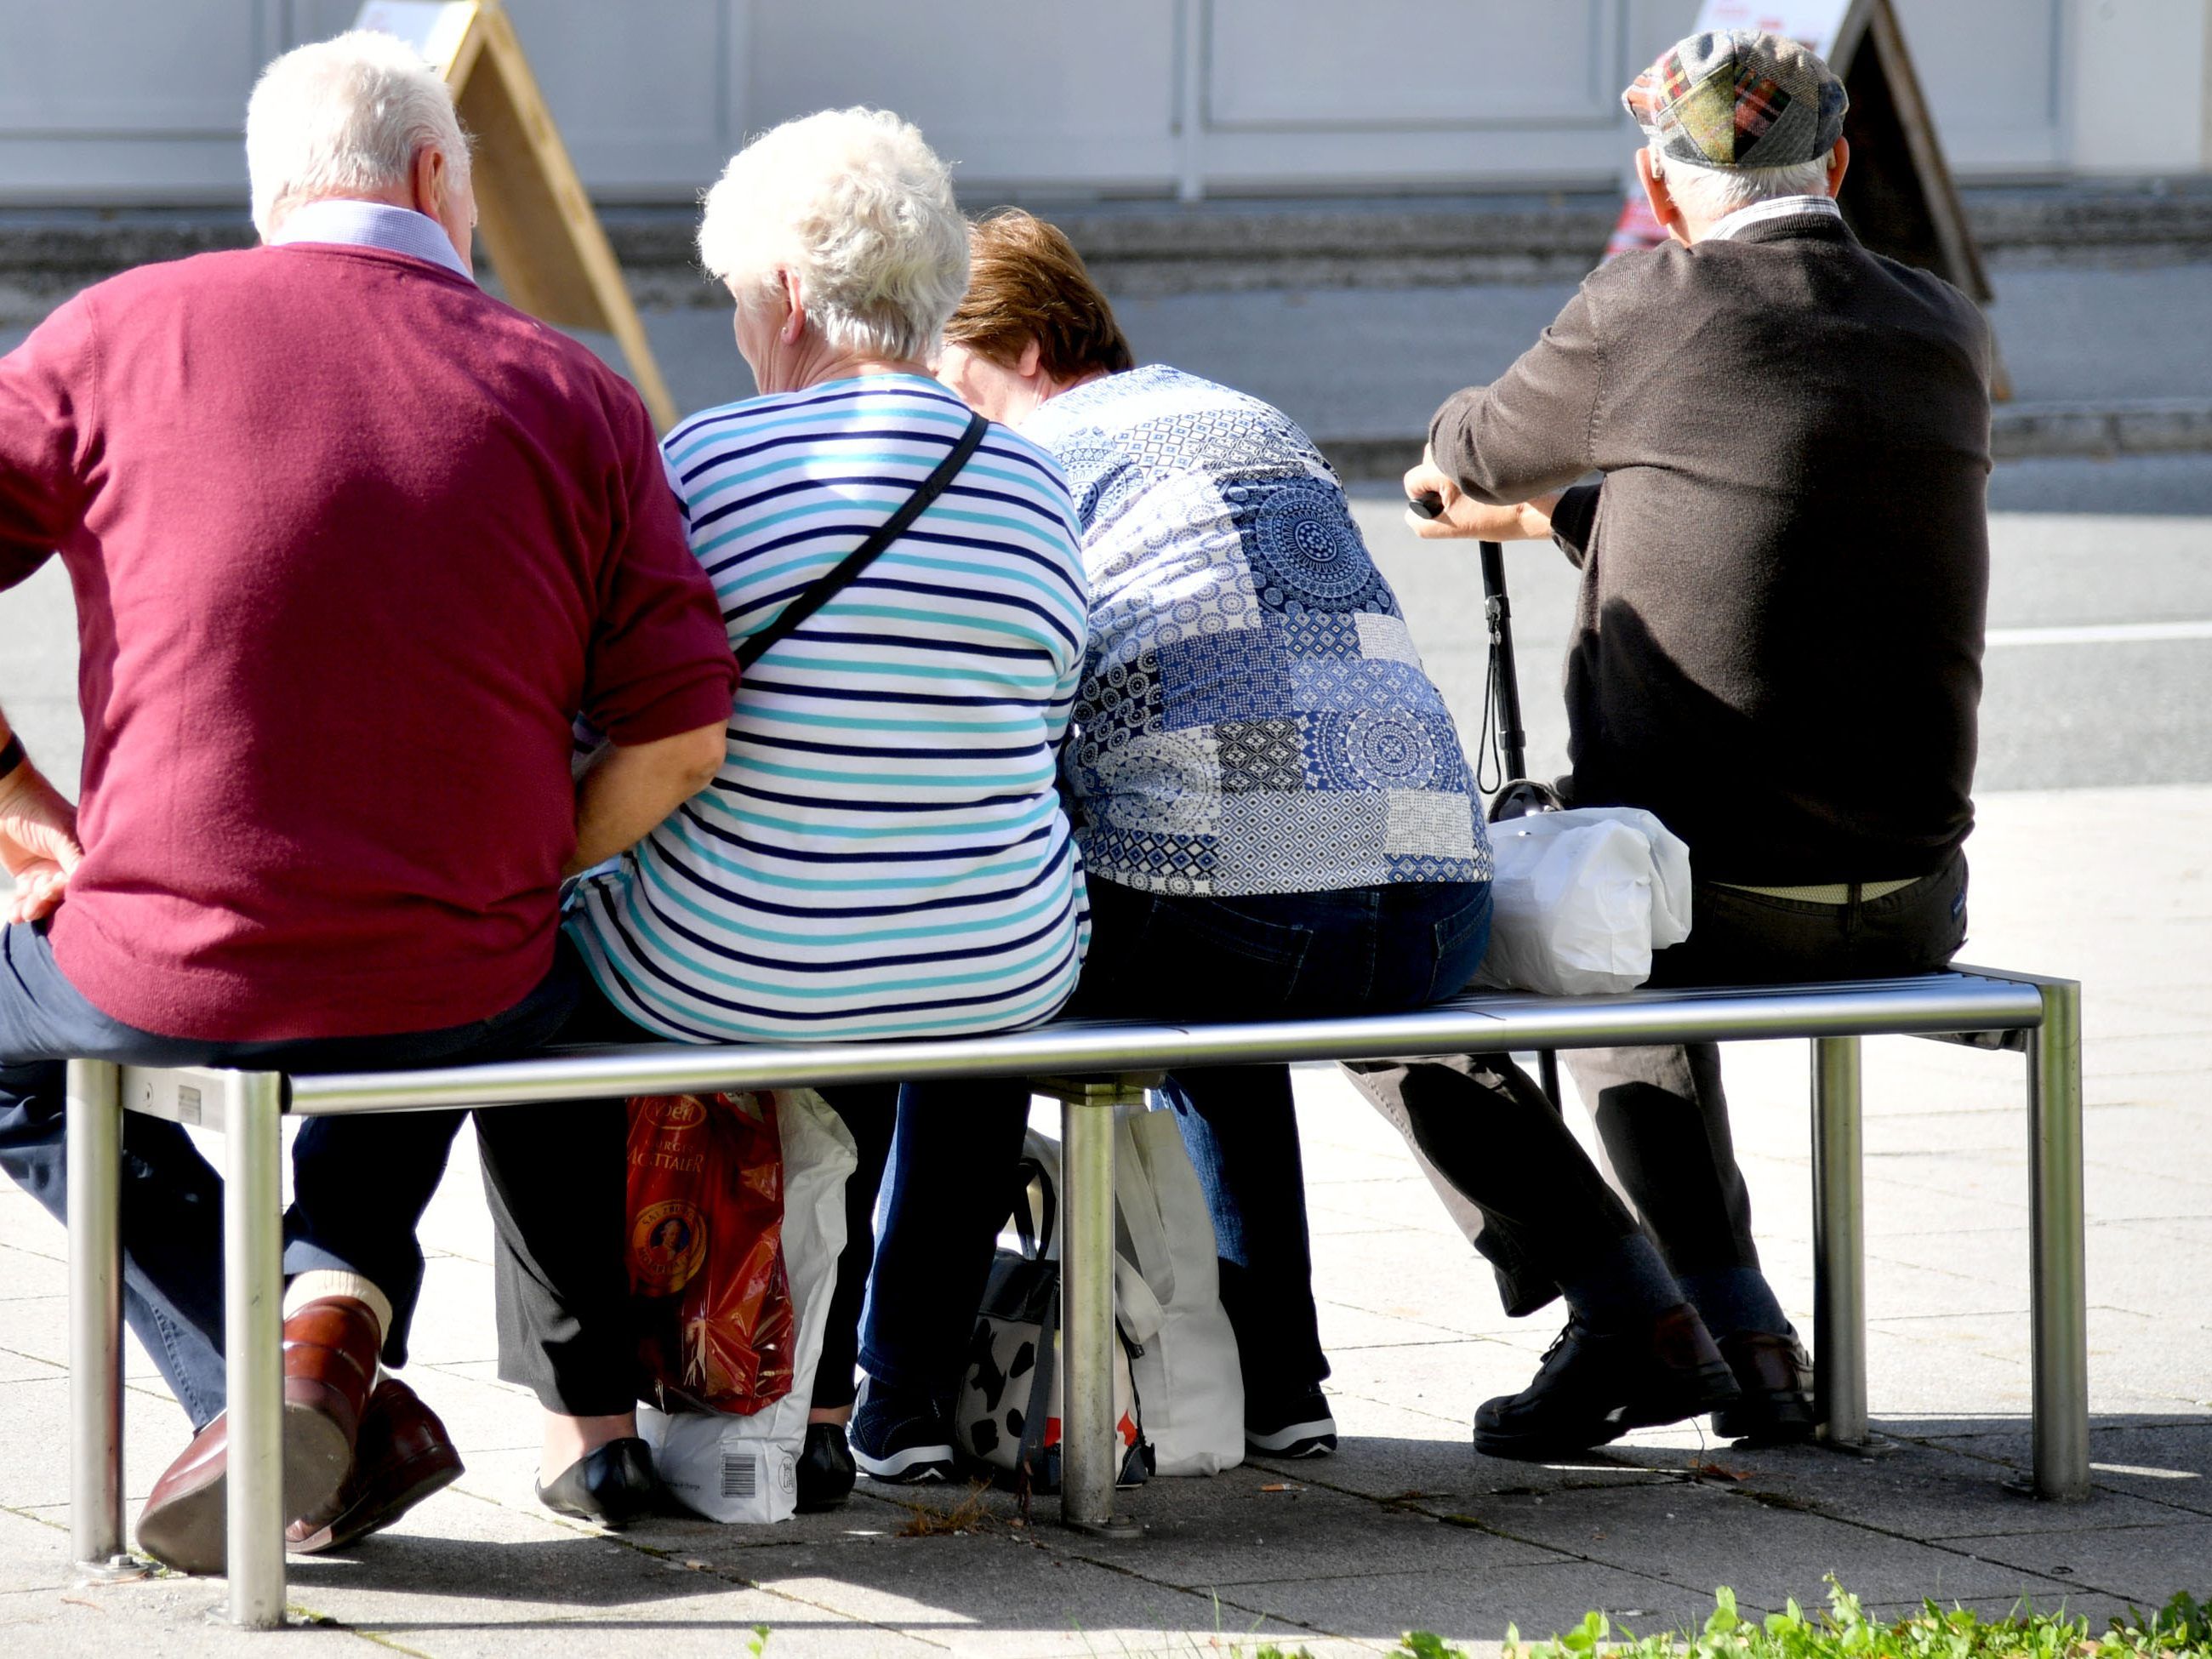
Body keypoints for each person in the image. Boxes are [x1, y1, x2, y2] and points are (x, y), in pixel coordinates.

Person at [0, 32, 736, 1570]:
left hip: (161, 959)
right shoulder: (575, 389)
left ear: (272, 191)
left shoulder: (111, 336)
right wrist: (523, 870)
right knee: (477, 981)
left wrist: (15, 794)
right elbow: (679, 743)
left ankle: (273, 1390)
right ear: (432, 181)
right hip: (465, 970)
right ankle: (310, 1370)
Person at [1356, 27, 1991, 1460]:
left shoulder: (1649, 301)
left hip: (1716, 909)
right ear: (1836, 164)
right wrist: (1569, 520)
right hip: (1913, 897)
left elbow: (1470, 445)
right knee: (1651, 875)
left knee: (1550, 923)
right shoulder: (1942, 328)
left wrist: (1487, 484)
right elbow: (1785, 523)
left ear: (1657, 171)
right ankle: (1748, 1346)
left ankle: (1657, 1304)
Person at [848, 208, 1496, 1483]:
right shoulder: (1252, 414)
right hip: (1434, 912)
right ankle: (1282, 1384)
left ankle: (899, 1394)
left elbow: (1009, 731)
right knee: (1231, 935)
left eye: (949, 373)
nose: (944, 408)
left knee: (995, 966)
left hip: (1249, 921)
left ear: (1028, 347)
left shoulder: (1023, 467)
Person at [560, 110, 1092, 1511]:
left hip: (735, 966)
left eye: (737, 299)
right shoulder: (1039, 488)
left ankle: (606, 1413)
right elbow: (1033, 734)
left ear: (787, 300)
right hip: (996, 962)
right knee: (874, 904)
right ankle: (839, 1395)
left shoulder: (703, 468)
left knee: (558, 946)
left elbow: (617, 722)